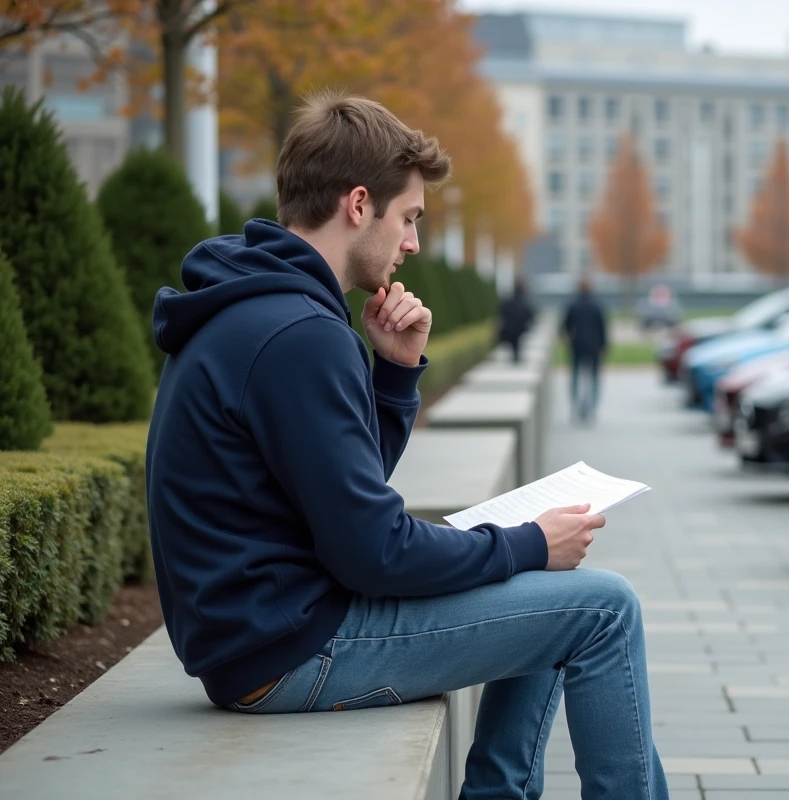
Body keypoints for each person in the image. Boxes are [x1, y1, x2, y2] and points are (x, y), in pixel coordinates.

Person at [145, 90, 669, 800]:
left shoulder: (262, 308)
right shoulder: (299, 334)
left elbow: (343, 493)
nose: (414, 244)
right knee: (605, 609)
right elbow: (373, 550)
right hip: (294, 650)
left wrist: (392, 375)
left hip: (261, 636)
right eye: (410, 218)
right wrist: (525, 544)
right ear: (358, 204)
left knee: (551, 599)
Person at [561, 277, 609, 423]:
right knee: (594, 378)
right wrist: (603, 346)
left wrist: (569, 340)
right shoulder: (597, 305)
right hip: (594, 346)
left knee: (575, 377)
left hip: (577, 345)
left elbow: (565, 326)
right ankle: (592, 408)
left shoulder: (573, 304)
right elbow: (603, 328)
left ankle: (575, 407)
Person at [497, 277, 535, 362]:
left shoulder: (509, 299)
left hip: (511, 327)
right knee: (516, 344)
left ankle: (515, 357)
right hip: (519, 328)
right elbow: (530, 314)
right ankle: (516, 357)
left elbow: (501, 312)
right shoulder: (524, 300)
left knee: (514, 345)